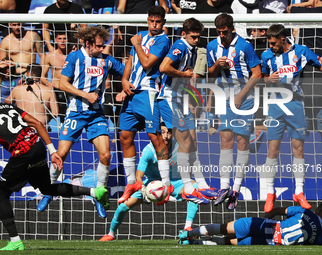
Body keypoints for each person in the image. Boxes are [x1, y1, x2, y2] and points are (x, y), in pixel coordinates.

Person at [0, 85, 107, 250]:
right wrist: (53, 152)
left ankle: (15, 241)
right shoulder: (8, 106)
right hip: (37, 145)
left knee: (1, 194)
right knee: (47, 188)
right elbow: (37, 123)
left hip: (22, 151)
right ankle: (94, 192)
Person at [36, 26, 125, 212]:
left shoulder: (106, 61)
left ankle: (100, 195)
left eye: (103, 46)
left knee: (106, 155)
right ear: (88, 43)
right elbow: (62, 83)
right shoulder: (75, 57)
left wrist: (124, 86)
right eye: (99, 46)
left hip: (96, 114)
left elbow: (126, 70)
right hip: (75, 112)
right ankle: (48, 191)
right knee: (60, 156)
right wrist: (85, 95)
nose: (102, 49)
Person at [99, 123, 200, 241]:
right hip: (151, 184)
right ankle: (111, 234)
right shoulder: (149, 150)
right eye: (162, 132)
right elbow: (139, 176)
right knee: (122, 207)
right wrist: (144, 189)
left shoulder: (179, 147)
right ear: (157, 133)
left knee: (195, 189)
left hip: (174, 182)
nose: (166, 136)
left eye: (169, 132)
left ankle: (187, 228)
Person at [261, 24, 322, 213]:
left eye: (274, 43)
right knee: (273, 149)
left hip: (296, 104)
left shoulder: (301, 52)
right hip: (275, 105)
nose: (271, 46)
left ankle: (299, 192)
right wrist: (267, 80)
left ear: (283, 39)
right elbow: (262, 76)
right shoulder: (266, 56)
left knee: (299, 148)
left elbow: (319, 64)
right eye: (269, 43)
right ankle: (270, 192)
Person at [116, 6, 172, 205]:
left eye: (158, 21)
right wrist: (123, 80)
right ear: (147, 20)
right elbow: (131, 60)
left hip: (148, 92)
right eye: (151, 21)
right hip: (131, 92)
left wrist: (138, 45)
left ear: (163, 22)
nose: (154, 25)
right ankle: (132, 183)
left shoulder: (163, 41)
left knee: (154, 136)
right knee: (124, 136)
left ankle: (166, 183)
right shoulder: (139, 36)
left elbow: (147, 63)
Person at [158, 18, 217, 204]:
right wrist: (184, 75)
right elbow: (163, 67)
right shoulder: (180, 46)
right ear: (184, 34)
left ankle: (202, 184)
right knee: (184, 142)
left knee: (192, 143)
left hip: (182, 99)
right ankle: (187, 187)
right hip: (168, 99)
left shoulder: (193, 49)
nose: (196, 40)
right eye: (193, 37)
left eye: (198, 37)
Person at [206, 13, 261, 210]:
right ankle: (224, 187)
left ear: (232, 29)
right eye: (219, 32)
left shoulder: (245, 45)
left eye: (225, 32)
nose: (222, 35)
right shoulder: (212, 46)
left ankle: (236, 189)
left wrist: (241, 96)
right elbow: (210, 75)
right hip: (225, 98)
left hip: (246, 100)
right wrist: (215, 66)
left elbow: (257, 74)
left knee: (242, 142)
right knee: (225, 140)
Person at [178, 206, 322, 245]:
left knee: (224, 227)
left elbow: (278, 210)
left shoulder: (306, 213)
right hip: (269, 242)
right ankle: (194, 242)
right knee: (228, 242)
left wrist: (262, 220)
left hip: (265, 226)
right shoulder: (320, 237)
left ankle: (187, 234)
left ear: (319, 210)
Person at [41, 32, 69, 123]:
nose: (62, 41)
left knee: (66, 119)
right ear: (56, 40)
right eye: (60, 39)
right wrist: (49, 84)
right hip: (56, 89)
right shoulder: (50, 56)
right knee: (48, 116)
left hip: (69, 89)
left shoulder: (73, 55)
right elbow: (43, 77)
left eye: (64, 38)